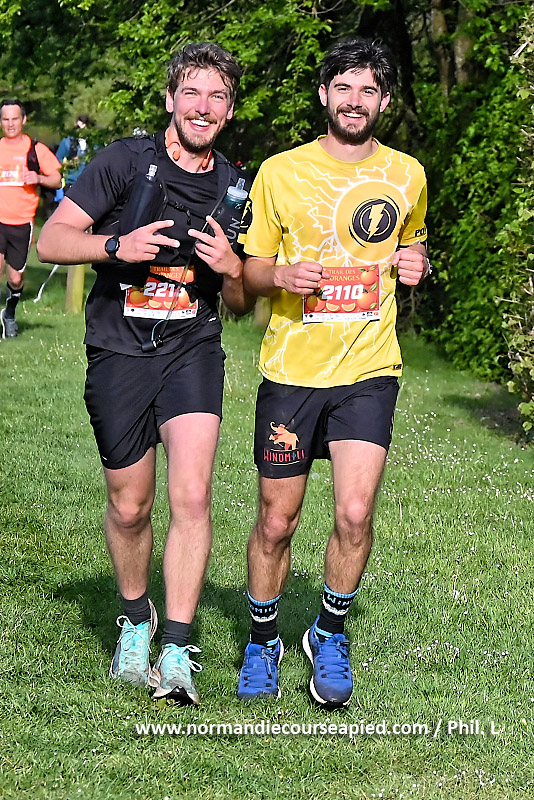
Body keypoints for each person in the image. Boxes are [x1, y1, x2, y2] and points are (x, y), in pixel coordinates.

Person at [37, 42, 253, 705]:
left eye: (217, 96)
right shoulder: (124, 161)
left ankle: (179, 647)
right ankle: (136, 619)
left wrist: (233, 270)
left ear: (229, 110)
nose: (203, 107)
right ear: (170, 100)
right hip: (119, 350)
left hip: (193, 348)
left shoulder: (237, 186)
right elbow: (51, 239)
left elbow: (240, 305)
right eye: (192, 93)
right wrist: (116, 246)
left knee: (192, 496)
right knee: (130, 506)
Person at [237, 37, 430, 707]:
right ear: (324, 94)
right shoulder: (280, 171)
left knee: (354, 513)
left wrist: (417, 262)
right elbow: (249, 270)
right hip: (292, 371)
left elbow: (411, 244)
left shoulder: (407, 173)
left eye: (368, 90)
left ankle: (329, 632)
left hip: (370, 369)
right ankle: (263, 639)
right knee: (276, 521)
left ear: (384, 101)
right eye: (343, 87)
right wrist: (280, 276)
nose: (355, 100)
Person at [0, 99, 61, 338]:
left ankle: (9, 314)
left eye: (15, 119)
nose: (10, 124)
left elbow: (57, 180)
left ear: (23, 120)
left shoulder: (35, 150)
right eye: (5, 119)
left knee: (15, 279)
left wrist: (38, 178)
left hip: (22, 223)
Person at [55, 113, 94, 196]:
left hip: (90, 184)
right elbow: (57, 160)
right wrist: (69, 163)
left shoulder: (95, 143)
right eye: (78, 127)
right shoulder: (68, 142)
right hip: (71, 183)